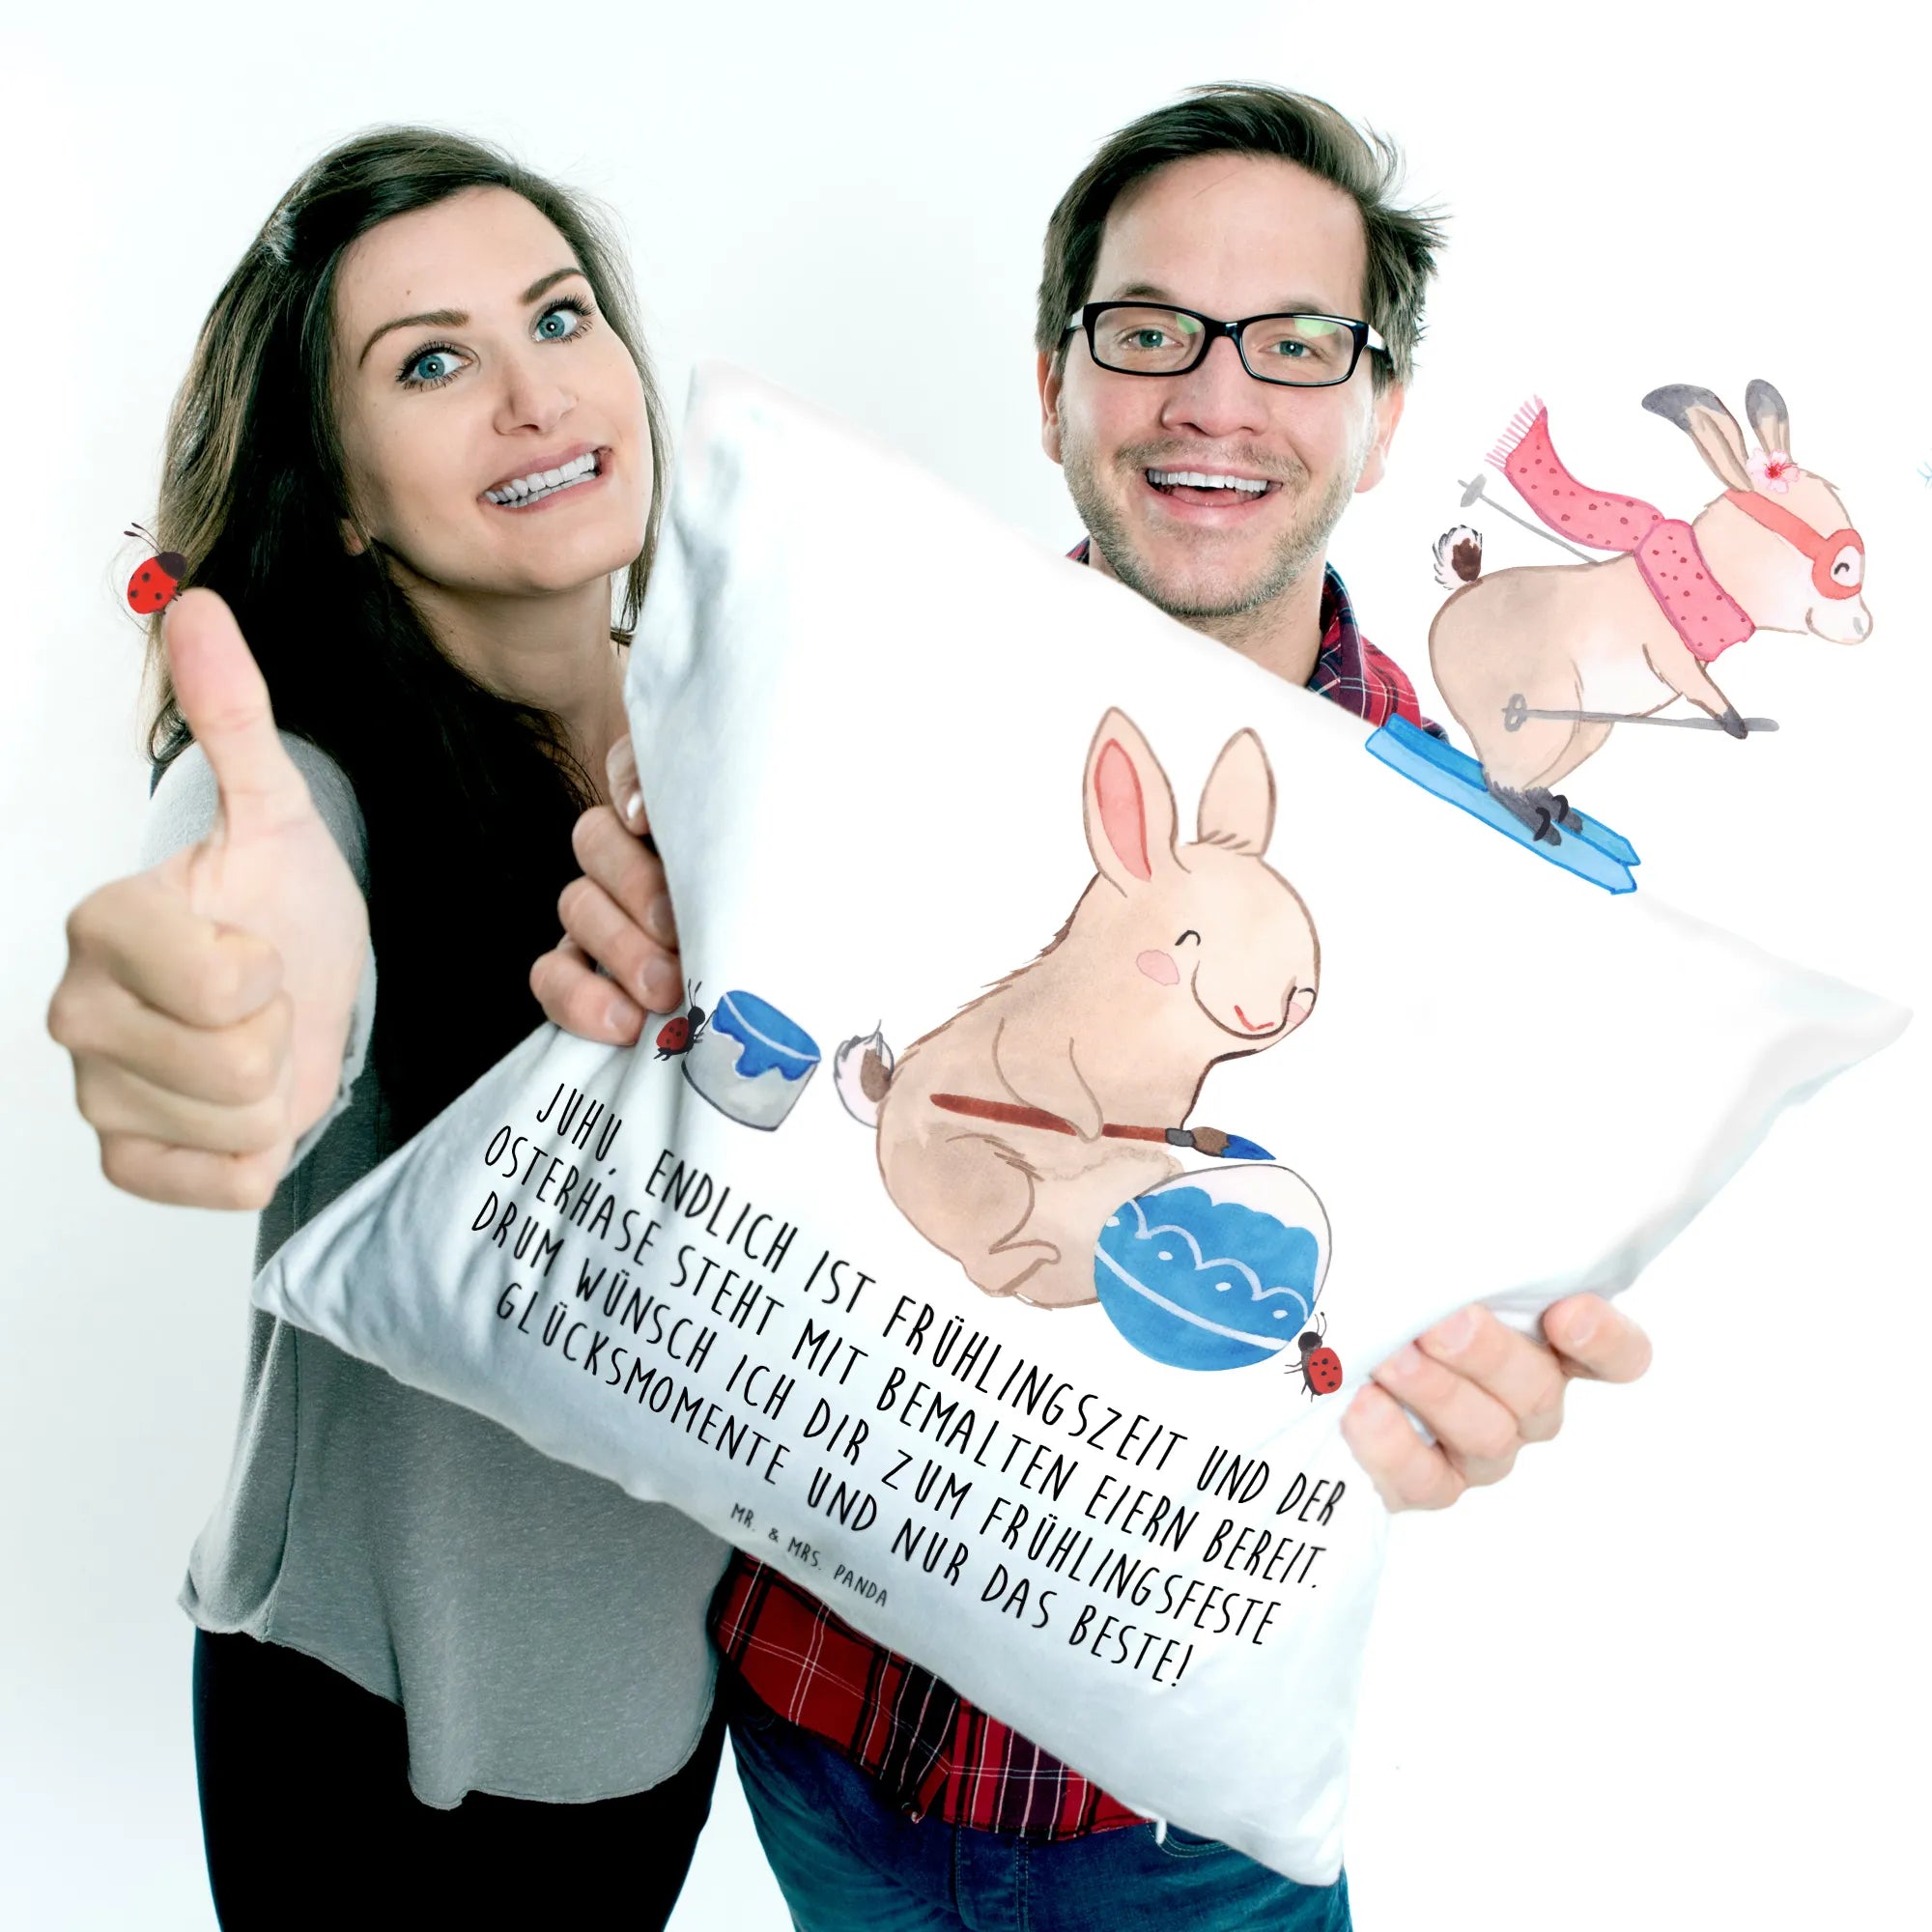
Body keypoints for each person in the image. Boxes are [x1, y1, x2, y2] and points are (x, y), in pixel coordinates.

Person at [532, 84, 1655, 1930]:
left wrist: (1472, 1378)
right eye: (1150, 333)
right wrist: (629, 982)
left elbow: (1422, 1300)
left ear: (1380, 418)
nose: (1216, 398)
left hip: (1181, 1831)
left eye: (1296, 343)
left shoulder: (1475, 879)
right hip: (811, 1742)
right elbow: (711, 1121)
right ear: (1054, 383)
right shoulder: (839, 704)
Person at [44, 129, 728, 1928]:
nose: (532, 394)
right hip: (379, 1742)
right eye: (430, 363)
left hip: (661, 1711)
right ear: (342, 495)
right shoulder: (308, 782)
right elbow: (254, 900)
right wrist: (223, 1001)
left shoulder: (733, 745)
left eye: (558, 318)